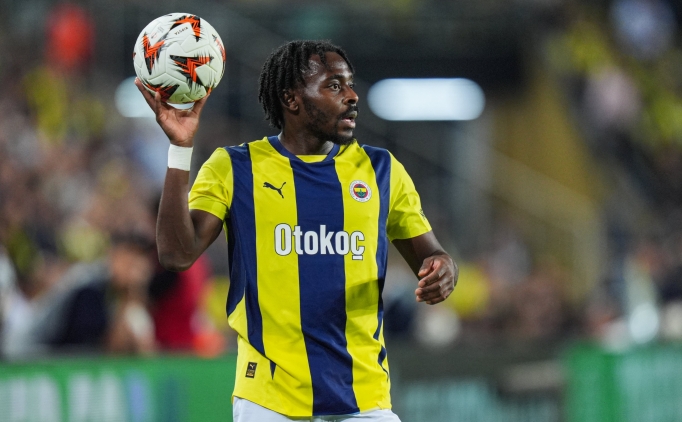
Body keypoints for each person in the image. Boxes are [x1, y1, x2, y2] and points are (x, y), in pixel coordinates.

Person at [136, 40, 457, 421]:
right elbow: (176, 254)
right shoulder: (234, 167)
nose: (352, 96)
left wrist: (443, 270)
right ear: (291, 99)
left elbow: (431, 256)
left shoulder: (381, 170)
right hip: (269, 401)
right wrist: (180, 148)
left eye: (350, 84)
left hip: (365, 397)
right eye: (334, 85)